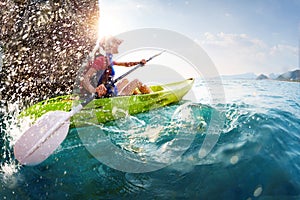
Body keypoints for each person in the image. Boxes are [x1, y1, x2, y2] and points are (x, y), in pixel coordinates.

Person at [81, 36, 152, 98]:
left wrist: (139, 62)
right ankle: (154, 97)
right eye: (116, 43)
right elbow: (85, 78)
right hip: (110, 97)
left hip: (112, 92)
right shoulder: (101, 60)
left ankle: (136, 96)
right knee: (137, 81)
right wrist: (94, 90)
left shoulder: (108, 60)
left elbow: (126, 64)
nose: (118, 45)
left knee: (125, 80)